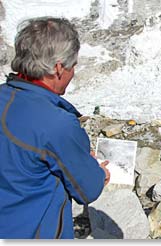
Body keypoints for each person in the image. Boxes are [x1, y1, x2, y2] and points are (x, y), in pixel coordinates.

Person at [0, 17, 110, 239]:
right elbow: (87, 188)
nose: (73, 72)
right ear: (59, 68)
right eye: (73, 66)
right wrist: (99, 173)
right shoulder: (57, 122)